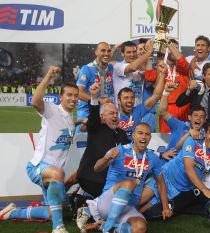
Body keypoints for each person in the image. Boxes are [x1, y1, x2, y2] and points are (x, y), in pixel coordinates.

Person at [0, 67, 79, 233]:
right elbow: (35, 102)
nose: (73, 98)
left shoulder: (71, 119)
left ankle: (11, 213)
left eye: (76, 95)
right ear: (61, 97)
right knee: (58, 174)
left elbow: (64, 128)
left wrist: (80, 123)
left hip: (52, 174)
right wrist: (49, 75)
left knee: (53, 212)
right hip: (38, 166)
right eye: (69, 95)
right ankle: (58, 228)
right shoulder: (52, 109)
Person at [143, 123, 210, 224]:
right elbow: (189, 169)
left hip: (178, 190)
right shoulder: (192, 141)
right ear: (205, 133)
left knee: (143, 212)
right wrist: (205, 190)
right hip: (165, 177)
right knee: (138, 201)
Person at [94, 123, 172, 233]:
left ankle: (107, 227)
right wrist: (107, 157)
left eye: (147, 134)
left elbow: (161, 183)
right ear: (133, 135)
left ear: (150, 138)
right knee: (130, 183)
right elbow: (96, 168)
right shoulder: (120, 150)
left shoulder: (153, 158)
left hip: (128, 207)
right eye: (140, 133)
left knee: (140, 228)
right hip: (108, 203)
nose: (144, 137)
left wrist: (165, 207)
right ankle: (108, 228)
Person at [76, 82, 130, 198]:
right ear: (102, 117)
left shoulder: (122, 133)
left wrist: (160, 154)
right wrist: (94, 98)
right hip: (91, 177)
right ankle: (83, 201)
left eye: (116, 113)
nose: (115, 116)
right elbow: (93, 118)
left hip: (110, 179)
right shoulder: (96, 127)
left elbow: (133, 150)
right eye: (111, 113)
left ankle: (83, 201)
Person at [145, 39, 191, 133]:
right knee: (166, 138)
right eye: (172, 48)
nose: (175, 50)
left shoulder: (184, 68)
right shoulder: (161, 67)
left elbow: (181, 60)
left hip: (183, 107)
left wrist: (170, 45)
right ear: (166, 50)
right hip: (166, 108)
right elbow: (149, 77)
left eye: (177, 48)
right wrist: (149, 53)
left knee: (183, 136)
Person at [117, 61, 165, 140]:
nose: (130, 100)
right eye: (126, 98)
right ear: (119, 100)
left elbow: (156, 96)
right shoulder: (114, 115)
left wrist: (162, 74)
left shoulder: (137, 111)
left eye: (132, 98)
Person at [159, 81, 206, 153]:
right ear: (189, 117)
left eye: (201, 116)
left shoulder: (205, 136)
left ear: (204, 120)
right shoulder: (178, 125)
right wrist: (166, 92)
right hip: (169, 160)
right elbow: (162, 112)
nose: (198, 118)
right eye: (195, 115)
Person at [76, 42, 114, 122]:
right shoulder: (87, 69)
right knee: (83, 134)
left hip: (104, 115)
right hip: (87, 113)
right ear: (96, 52)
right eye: (103, 51)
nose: (106, 54)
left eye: (109, 51)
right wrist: (99, 100)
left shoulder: (111, 68)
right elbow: (79, 92)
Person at [112, 40, 152, 106]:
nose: (132, 55)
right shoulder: (118, 66)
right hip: (122, 111)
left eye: (134, 52)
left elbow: (149, 82)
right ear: (122, 54)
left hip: (137, 111)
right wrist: (149, 52)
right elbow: (133, 67)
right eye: (128, 52)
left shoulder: (141, 68)